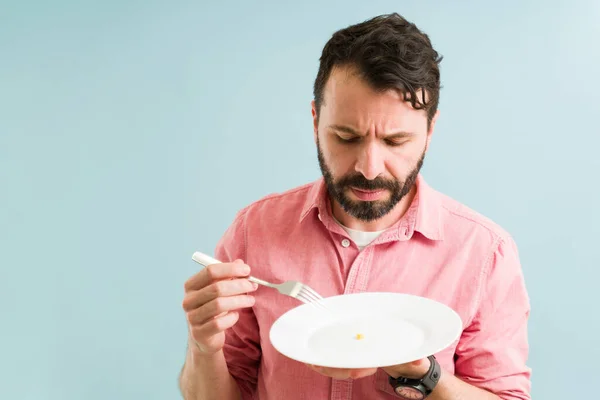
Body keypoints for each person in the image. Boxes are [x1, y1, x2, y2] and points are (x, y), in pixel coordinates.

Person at [179, 12, 531, 400]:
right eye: (346, 137)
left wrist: (427, 376)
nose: (369, 168)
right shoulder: (253, 231)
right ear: (315, 121)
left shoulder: (484, 252)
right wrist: (203, 346)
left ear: (429, 132)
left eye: (396, 142)